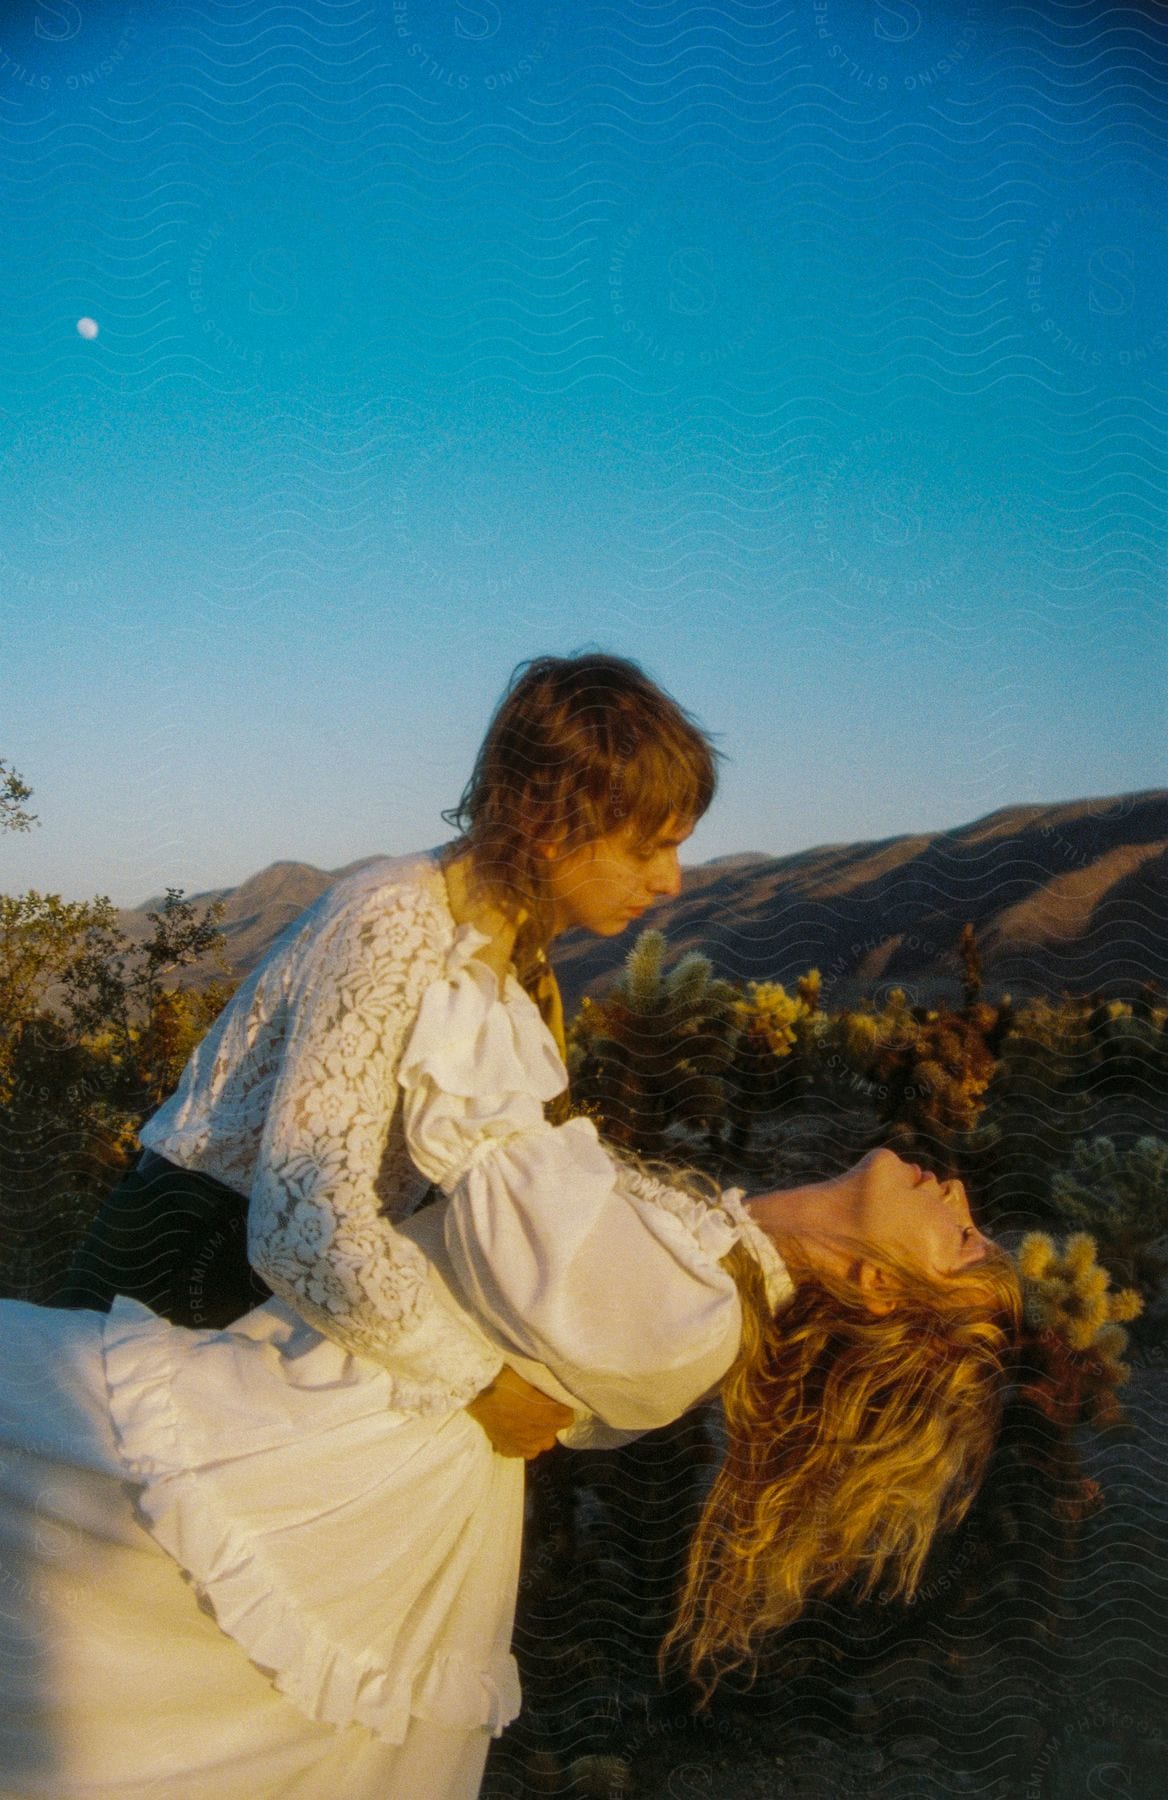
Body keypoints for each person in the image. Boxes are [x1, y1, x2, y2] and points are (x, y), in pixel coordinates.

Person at [0, 655, 1021, 1798]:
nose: (673, 880)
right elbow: (299, 1217)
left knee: (184, 1661)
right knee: (82, 1598)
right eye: (646, 844)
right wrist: (477, 1378)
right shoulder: (392, 918)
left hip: (320, 1297)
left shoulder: (504, 956)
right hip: (195, 1247)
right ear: (548, 820)